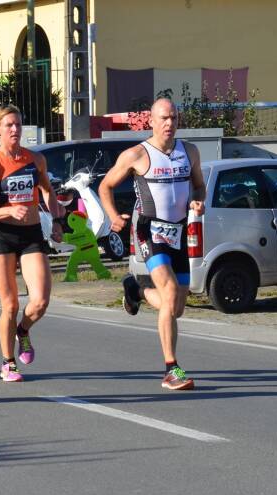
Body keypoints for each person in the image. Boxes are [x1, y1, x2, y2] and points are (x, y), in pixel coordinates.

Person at [99, 98, 206, 391]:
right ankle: (171, 369)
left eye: (174, 118)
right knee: (169, 293)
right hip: (150, 232)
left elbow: (199, 185)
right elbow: (105, 186)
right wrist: (113, 216)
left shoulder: (190, 152)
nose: (169, 123)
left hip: (179, 232)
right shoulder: (136, 154)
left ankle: (136, 290)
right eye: (163, 118)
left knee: (177, 307)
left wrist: (198, 201)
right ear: (151, 121)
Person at [0, 105, 64, 382]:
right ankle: (8, 363)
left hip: (31, 235)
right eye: (9, 125)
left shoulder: (35, 159)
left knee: (40, 301)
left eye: (18, 125)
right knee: (10, 305)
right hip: (1, 236)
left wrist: (56, 219)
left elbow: (47, 191)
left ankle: (22, 330)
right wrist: (8, 210)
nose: (15, 129)